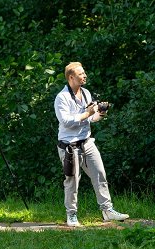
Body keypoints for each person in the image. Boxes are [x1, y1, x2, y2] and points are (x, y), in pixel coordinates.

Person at [54, 62, 129, 227]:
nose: (84, 76)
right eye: (81, 74)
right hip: (69, 146)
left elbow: (90, 119)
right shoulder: (62, 97)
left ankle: (107, 210)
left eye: (84, 73)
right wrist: (87, 112)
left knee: (100, 174)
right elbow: (66, 121)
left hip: (87, 142)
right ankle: (71, 215)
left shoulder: (86, 93)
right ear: (71, 77)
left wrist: (100, 114)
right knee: (72, 180)